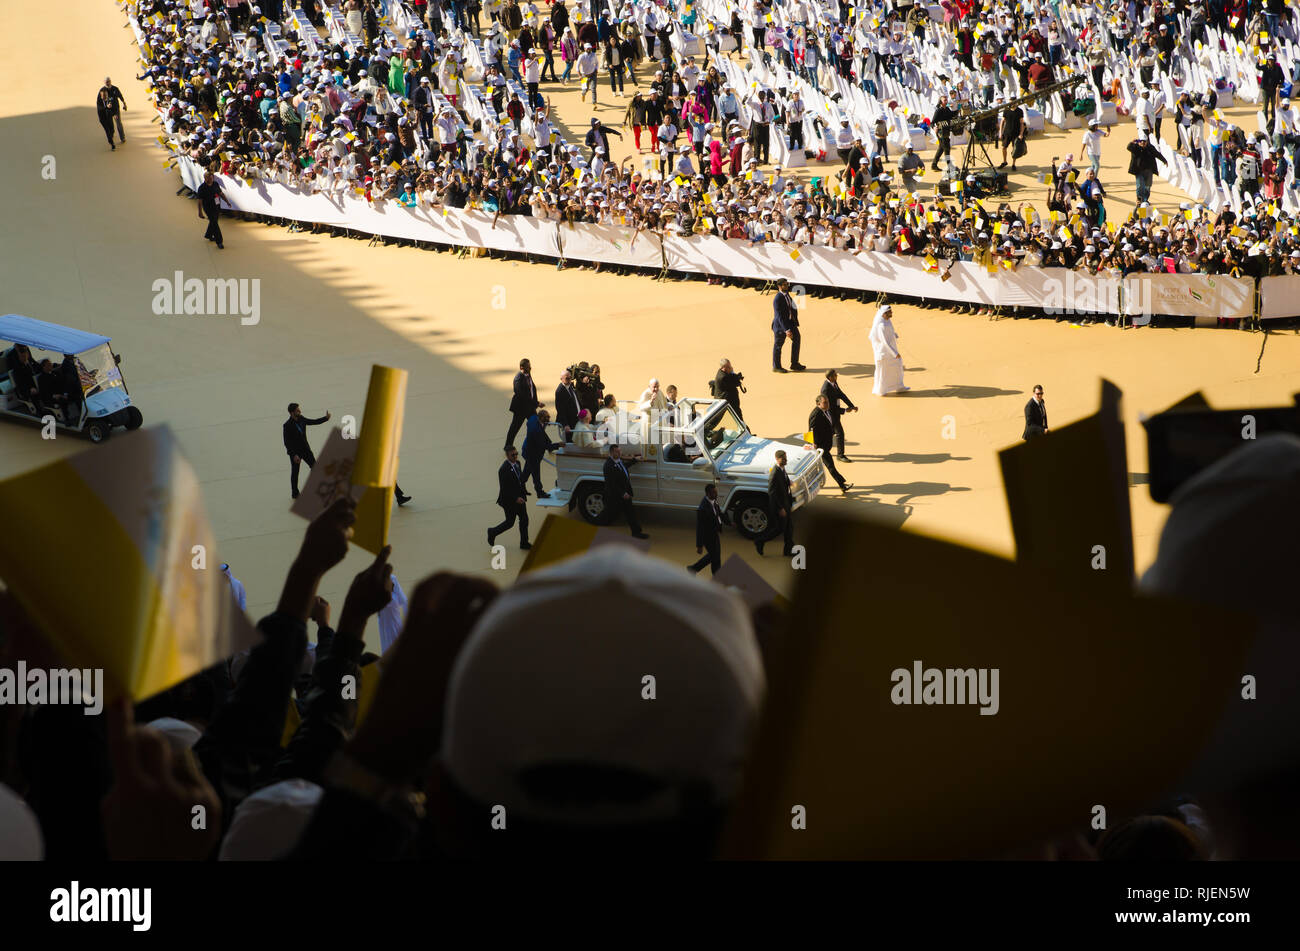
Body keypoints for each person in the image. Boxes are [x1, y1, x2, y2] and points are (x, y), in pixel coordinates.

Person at [283, 402, 332, 499]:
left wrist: (325, 418)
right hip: (296, 453)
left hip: (305, 450)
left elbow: (313, 422)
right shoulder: (287, 425)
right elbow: (287, 443)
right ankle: (295, 493)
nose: (300, 411)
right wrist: (293, 455)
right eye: (297, 410)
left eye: (299, 409)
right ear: (292, 413)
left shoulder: (301, 419)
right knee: (295, 472)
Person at [488, 446, 531, 549]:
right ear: (507, 455)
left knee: (524, 519)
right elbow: (505, 489)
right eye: (513, 455)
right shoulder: (503, 470)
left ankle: (524, 543)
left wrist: (524, 493)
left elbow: (519, 480)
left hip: (520, 498)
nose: (516, 456)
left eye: (517, 454)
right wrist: (516, 498)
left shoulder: (518, 463)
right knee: (510, 522)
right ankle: (492, 532)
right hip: (509, 501)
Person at [603, 443, 649, 538]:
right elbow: (611, 483)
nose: (620, 453)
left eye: (620, 451)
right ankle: (599, 523)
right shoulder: (608, 466)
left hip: (624, 493)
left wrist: (635, 460)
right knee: (610, 512)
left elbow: (625, 467)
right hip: (617, 495)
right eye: (617, 452)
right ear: (611, 453)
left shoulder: (618, 461)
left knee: (630, 513)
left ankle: (636, 532)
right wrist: (622, 493)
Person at [809, 395, 852, 492]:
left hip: (826, 444)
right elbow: (811, 430)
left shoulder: (826, 410)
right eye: (825, 402)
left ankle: (841, 485)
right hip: (820, 446)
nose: (827, 404)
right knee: (831, 466)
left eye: (827, 402)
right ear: (818, 404)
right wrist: (813, 443)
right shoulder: (815, 414)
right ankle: (842, 485)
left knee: (826, 466)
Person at [755, 449, 794, 557]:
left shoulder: (782, 468)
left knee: (789, 528)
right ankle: (760, 541)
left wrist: (788, 482)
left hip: (786, 503)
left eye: (786, 458)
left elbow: (784, 479)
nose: (786, 460)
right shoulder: (774, 474)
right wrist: (780, 508)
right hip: (780, 506)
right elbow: (772, 493)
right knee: (779, 529)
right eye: (783, 458)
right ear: (777, 459)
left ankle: (788, 550)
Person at [687, 483, 727, 575]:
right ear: (708, 494)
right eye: (714, 493)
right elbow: (700, 528)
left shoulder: (714, 500)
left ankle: (693, 569)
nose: (716, 494)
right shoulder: (702, 509)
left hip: (714, 533)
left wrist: (728, 522)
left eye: (716, 492)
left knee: (714, 556)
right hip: (707, 536)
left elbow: (719, 514)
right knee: (715, 557)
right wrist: (699, 545)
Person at [521, 409, 562, 498]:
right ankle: (539, 492)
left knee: (527, 471)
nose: (549, 419)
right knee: (536, 474)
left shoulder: (533, 418)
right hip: (533, 454)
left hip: (528, 449)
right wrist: (558, 445)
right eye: (547, 417)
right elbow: (544, 445)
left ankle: (520, 487)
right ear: (541, 418)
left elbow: (530, 424)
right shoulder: (537, 431)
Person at [819, 369, 858, 461]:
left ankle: (820, 449)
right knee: (840, 433)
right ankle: (840, 455)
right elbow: (829, 407)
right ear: (830, 377)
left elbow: (841, 395)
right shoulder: (825, 389)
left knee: (829, 433)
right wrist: (844, 410)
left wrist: (851, 406)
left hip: (836, 413)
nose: (837, 376)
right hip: (831, 415)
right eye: (835, 375)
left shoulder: (834, 383)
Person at [869, 304, 907, 395]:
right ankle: (881, 390)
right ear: (885, 313)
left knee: (897, 367)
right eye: (890, 312)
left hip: (891, 350)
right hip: (884, 353)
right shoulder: (881, 326)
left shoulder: (888, 321)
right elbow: (884, 342)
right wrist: (895, 353)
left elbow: (890, 332)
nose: (892, 313)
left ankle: (899, 386)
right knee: (884, 372)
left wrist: (894, 335)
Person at [505, 357, 543, 450]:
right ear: (522, 367)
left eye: (530, 366)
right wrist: (536, 403)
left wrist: (534, 403)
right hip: (521, 409)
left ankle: (544, 444)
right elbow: (522, 395)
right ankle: (508, 445)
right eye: (528, 367)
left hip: (530, 408)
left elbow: (531, 390)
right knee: (515, 427)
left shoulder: (528, 375)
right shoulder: (518, 378)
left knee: (537, 425)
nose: (530, 368)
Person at [771, 278, 803, 373]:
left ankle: (794, 364)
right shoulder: (777, 299)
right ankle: (776, 366)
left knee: (797, 338)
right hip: (781, 326)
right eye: (784, 285)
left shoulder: (786, 294)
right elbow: (779, 316)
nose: (787, 286)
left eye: (787, 284)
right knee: (778, 346)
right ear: (779, 286)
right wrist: (787, 330)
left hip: (790, 323)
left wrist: (794, 321)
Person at [196, 170, 227, 249]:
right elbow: (199, 201)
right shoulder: (201, 188)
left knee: (214, 221)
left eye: (211, 178)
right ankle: (219, 241)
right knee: (215, 224)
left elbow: (221, 193)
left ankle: (208, 234)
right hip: (208, 208)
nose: (210, 179)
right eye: (208, 178)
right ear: (205, 178)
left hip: (216, 206)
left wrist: (227, 201)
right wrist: (200, 212)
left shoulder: (215, 184)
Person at [96, 77, 127, 149]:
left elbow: (120, 96)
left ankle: (122, 137)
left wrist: (124, 103)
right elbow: (99, 102)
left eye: (109, 81)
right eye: (106, 82)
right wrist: (105, 108)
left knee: (118, 123)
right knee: (110, 125)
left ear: (111, 81)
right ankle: (111, 135)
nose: (108, 83)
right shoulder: (102, 90)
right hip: (108, 111)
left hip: (115, 109)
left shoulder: (115, 89)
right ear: (104, 83)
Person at [554, 370, 581, 438]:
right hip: (569, 422)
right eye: (567, 378)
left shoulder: (570, 387)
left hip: (576, 419)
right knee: (570, 441)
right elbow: (560, 409)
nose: (569, 380)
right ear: (561, 379)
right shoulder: (560, 391)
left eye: (570, 378)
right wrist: (565, 424)